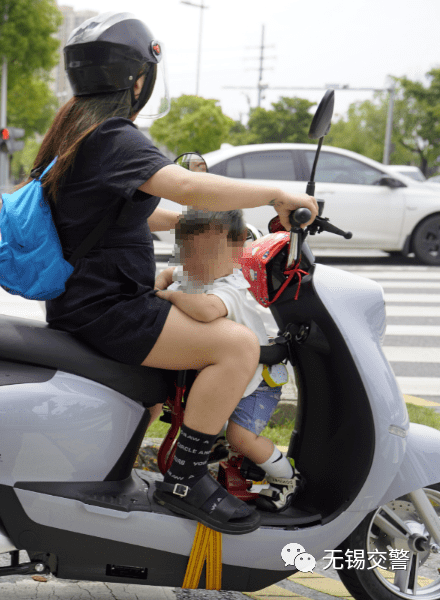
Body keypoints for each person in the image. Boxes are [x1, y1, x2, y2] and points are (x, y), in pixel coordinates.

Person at [34, 11, 318, 534]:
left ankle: (129, 469)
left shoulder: (76, 133)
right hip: (108, 308)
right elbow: (185, 188)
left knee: (197, 352)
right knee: (236, 345)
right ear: (139, 79)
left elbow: (143, 212)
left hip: (87, 301)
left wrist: (214, 226)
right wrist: (277, 194)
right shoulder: (113, 136)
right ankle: (187, 478)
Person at [154, 210, 302, 513]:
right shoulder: (193, 273)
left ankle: (287, 479)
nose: (195, 261)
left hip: (257, 382)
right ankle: (219, 458)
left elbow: (208, 310)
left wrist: (165, 296)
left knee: (241, 437)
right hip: (228, 377)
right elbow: (168, 275)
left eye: (208, 253)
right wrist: (161, 282)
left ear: (236, 252)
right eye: (188, 251)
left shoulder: (231, 285)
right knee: (201, 420)